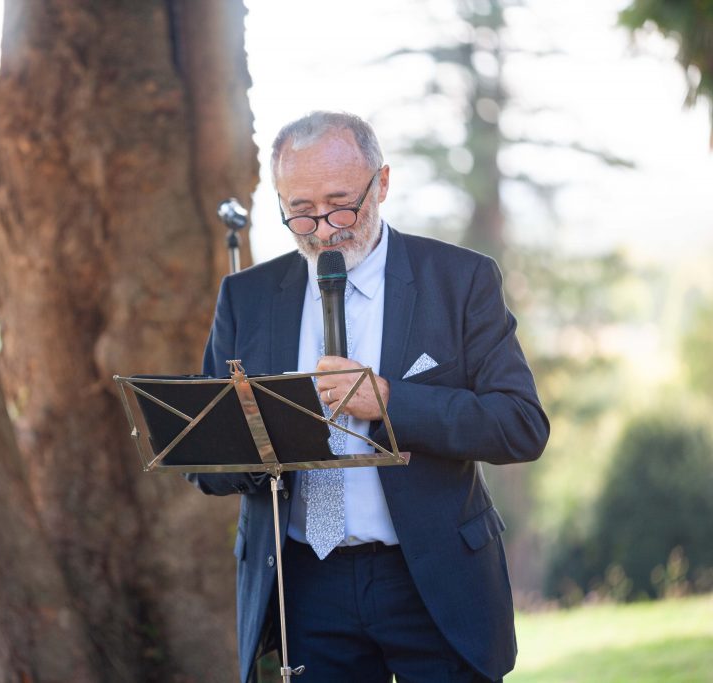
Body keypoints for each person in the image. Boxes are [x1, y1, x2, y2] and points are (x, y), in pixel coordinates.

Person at [189, 111, 549, 683]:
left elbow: (520, 425)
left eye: (340, 203)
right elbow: (208, 470)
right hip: (304, 589)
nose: (325, 229)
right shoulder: (245, 297)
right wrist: (262, 442)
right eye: (300, 212)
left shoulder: (460, 279)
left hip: (431, 579)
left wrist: (388, 401)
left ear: (381, 183)